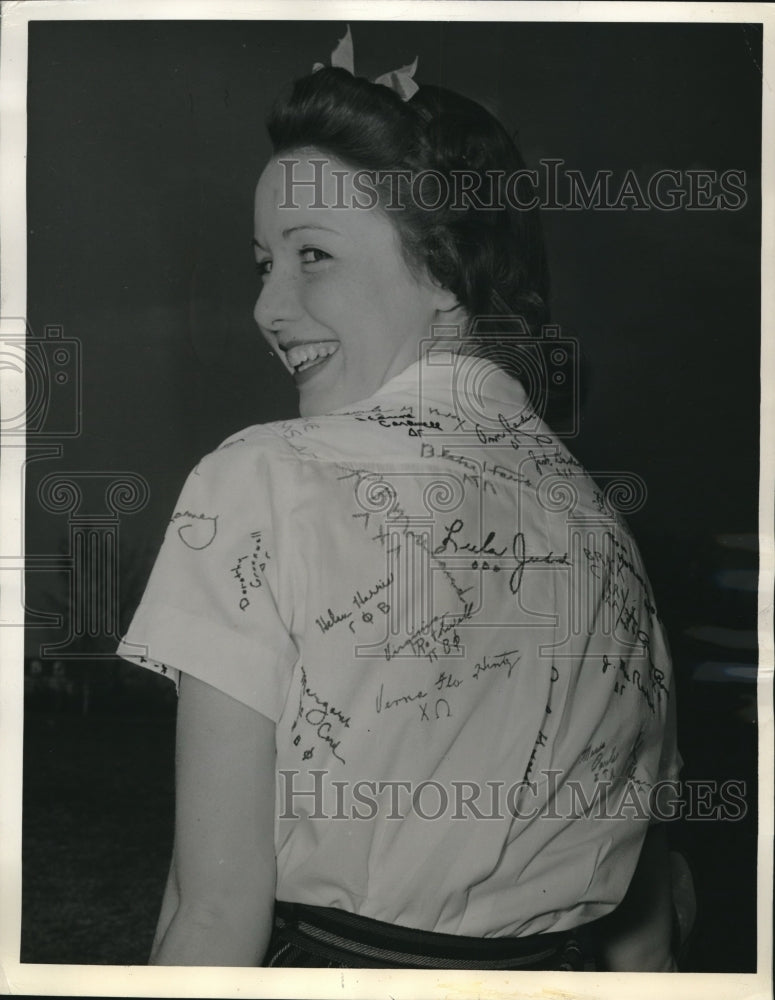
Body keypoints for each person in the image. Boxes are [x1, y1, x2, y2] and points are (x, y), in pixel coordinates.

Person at [118, 28, 681, 972]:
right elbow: (648, 947)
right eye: (264, 264)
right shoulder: (606, 532)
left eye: (313, 256)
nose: (265, 308)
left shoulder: (261, 478)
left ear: (447, 272)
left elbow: (213, 917)